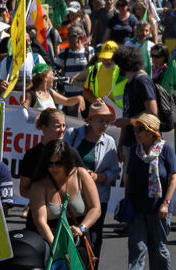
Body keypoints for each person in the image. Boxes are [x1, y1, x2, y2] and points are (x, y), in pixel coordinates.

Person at [65, 99, 119, 262]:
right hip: (73, 197)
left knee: (94, 239)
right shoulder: (72, 135)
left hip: (97, 197)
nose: (105, 124)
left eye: (107, 121)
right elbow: (60, 161)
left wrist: (97, 177)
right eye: (101, 120)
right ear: (90, 121)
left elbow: (114, 173)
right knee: (70, 237)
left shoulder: (109, 142)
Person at [26, 140, 102, 254]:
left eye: (58, 163)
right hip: (50, 243)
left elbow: (96, 208)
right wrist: (55, 246)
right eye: (50, 164)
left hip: (78, 244)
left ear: (67, 161)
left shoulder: (81, 175)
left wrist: (82, 228)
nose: (54, 168)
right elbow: (40, 221)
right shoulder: (39, 185)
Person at [124, 113, 176, 270]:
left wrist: (165, 203)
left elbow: (173, 179)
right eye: (135, 129)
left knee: (158, 250)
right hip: (137, 209)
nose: (136, 132)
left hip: (159, 210)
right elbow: (129, 177)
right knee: (136, 248)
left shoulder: (166, 149)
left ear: (151, 131)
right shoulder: (134, 150)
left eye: (139, 129)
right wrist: (126, 201)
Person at [18, 108, 84, 200]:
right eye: (57, 126)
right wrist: (46, 197)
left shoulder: (72, 152)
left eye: (64, 125)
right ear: (44, 128)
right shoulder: (32, 155)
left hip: (66, 211)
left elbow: (83, 184)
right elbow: (23, 190)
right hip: (38, 210)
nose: (62, 130)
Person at [113, 45, 158, 156]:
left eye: (118, 64)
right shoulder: (129, 84)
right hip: (130, 143)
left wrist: (127, 122)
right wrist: (121, 143)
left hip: (144, 144)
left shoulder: (141, 80)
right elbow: (127, 114)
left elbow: (152, 110)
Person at [57, 26, 93, 116]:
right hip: (70, 98)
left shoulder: (89, 51)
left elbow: (94, 70)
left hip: (86, 97)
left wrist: (80, 75)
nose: (68, 38)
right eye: (67, 35)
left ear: (80, 37)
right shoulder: (63, 53)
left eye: (71, 35)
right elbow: (54, 67)